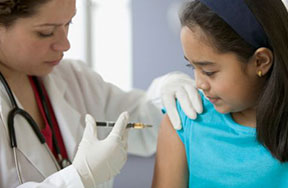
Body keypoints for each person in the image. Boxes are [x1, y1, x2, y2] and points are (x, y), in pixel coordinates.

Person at [0, 0, 203, 187]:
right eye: (46, 32)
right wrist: (80, 178)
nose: (65, 45)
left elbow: (140, 120)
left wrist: (167, 92)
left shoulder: (73, 78)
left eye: (68, 23)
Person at [152, 0, 288, 187]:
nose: (198, 84)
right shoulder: (183, 123)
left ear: (260, 62)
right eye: (191, 66)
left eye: (209, 72)